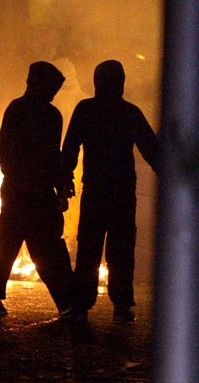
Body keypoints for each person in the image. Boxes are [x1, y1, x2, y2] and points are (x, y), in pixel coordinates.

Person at [60, 60, 159, 323]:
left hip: (94, 189)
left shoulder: (86, 110)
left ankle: (81, 305)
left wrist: (64, 179)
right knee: (122, 250)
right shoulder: (130, 113)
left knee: (89, 248)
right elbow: (153, 151)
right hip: (123, 192)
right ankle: (122, 306)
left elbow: (69, 148)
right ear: (121, 83)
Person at [0, 62, 76, 317]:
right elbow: (15, 153)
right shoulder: (36, 113)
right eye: (52, 86)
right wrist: (55, 183)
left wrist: (59, 185)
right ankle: (65, 302)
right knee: (36, 246)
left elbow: (48, 156)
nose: (54, 92)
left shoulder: (30, 111)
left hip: (25, 188)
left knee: (14, 243)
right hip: (28, 189)